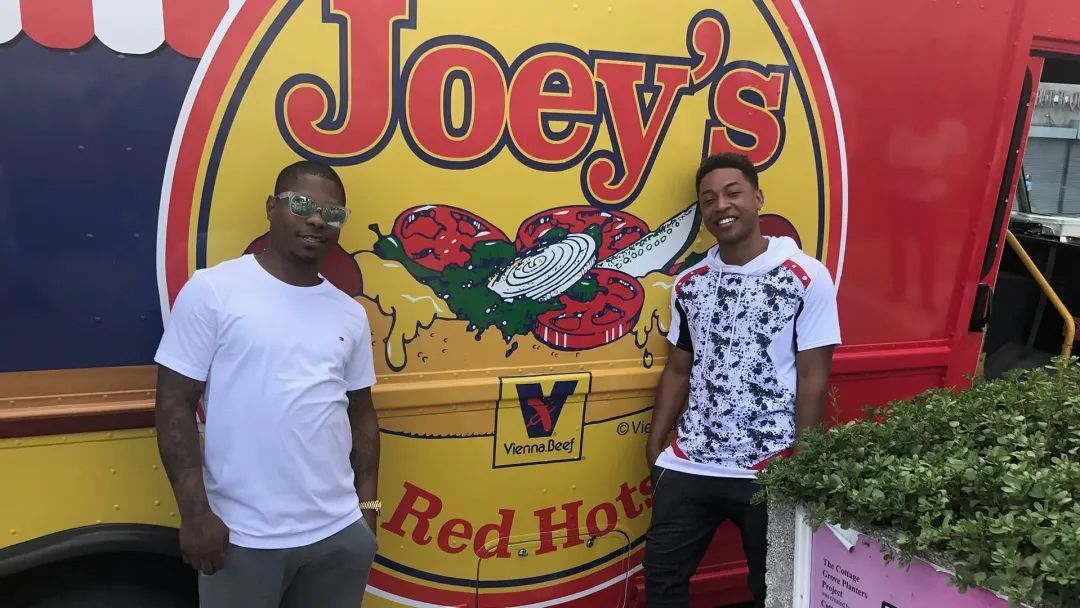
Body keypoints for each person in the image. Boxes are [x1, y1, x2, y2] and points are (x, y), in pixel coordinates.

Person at [154, 160, 381, 607]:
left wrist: (367, 515)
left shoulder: (349, 313)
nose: (317, 219)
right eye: (302, 204)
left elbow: (362, 414)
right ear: (272, 208)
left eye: (333, 213)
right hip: (244, 538)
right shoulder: (215, 291)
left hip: (338, 535)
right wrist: (196, 514)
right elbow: (173, 403)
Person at [644, 153, 841, 607]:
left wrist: (802, 465)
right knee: (662, 578)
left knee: (771, 588)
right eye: (708, 198)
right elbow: (679, 368)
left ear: (757, 198)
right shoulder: (690, 283)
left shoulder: (805, 277)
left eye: (733, 192)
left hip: (768, 468)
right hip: (690, 463)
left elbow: (813, 378)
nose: (721, 205)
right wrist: (655, 448)